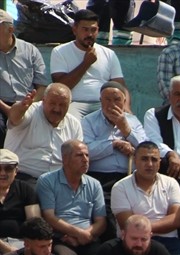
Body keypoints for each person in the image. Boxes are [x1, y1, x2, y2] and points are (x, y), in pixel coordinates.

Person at [50, 9, 124, 119]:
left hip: (103, 104)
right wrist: (86, 63)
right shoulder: (60, 51)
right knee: (70, 121)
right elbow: (61, 86)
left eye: (93, 30)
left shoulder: (109, 54)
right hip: (73, 104)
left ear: (98, 30)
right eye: (85, 29)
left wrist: (126, 107)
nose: (89, 34)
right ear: (75, 30)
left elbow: (120, 86)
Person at [3, 84, 82, 180]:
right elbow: (15, 118)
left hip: (58, 180)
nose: (57, 109)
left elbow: (76, 156)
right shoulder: (30, 111)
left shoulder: (74, 124)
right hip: (24, 177)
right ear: (43, 101)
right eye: (52, 103)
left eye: (62, 105)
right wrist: (21, 108)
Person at [0, 10, 51, 147]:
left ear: (10, 29)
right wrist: (9, 110)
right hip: (1, 104)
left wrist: (27, 106)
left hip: (30, 102)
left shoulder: (30, 50)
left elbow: (42, 86)